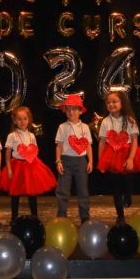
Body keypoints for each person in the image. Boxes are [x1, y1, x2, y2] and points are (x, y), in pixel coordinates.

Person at [96, 90, 140, 223]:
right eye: (108, 102)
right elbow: (102, 142)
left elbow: (134, 140)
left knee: (127, 179)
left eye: (114, 101)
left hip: (127, 152)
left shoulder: (129, 120)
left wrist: (131, 158)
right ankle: (120, 215)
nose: (111, 104)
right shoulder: (105, 122)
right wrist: (101, 161)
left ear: (122, 103)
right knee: (115, 187)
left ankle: (128, 194)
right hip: (112, 155)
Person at [0, 106, 56, 223]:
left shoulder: (32, 135)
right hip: (17, 166)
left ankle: (35, 217)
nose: (22, 121)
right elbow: (7, 154)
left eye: (25, 118)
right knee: (15, 194)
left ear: (29, 120)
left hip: (30, 166)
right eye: (19, 119)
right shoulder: (12, 136)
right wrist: (9, 169)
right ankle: (14, 218)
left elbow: (35, 151)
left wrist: (34, 162)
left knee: (32, 193)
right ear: (14, 121)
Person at [54, 94, 93, 223]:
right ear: (65, 111)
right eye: (68, 109)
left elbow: (88, 145)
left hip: (81, 161)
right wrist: (58, 161)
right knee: (63, 190)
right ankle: (61, 216)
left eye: (75, 109)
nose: (71, 112)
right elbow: (59, 146)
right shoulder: (62, 127)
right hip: (66, 161)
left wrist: (90, 161)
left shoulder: (85, 127)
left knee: (83, 190)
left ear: (80, 111)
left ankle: (84, 217)